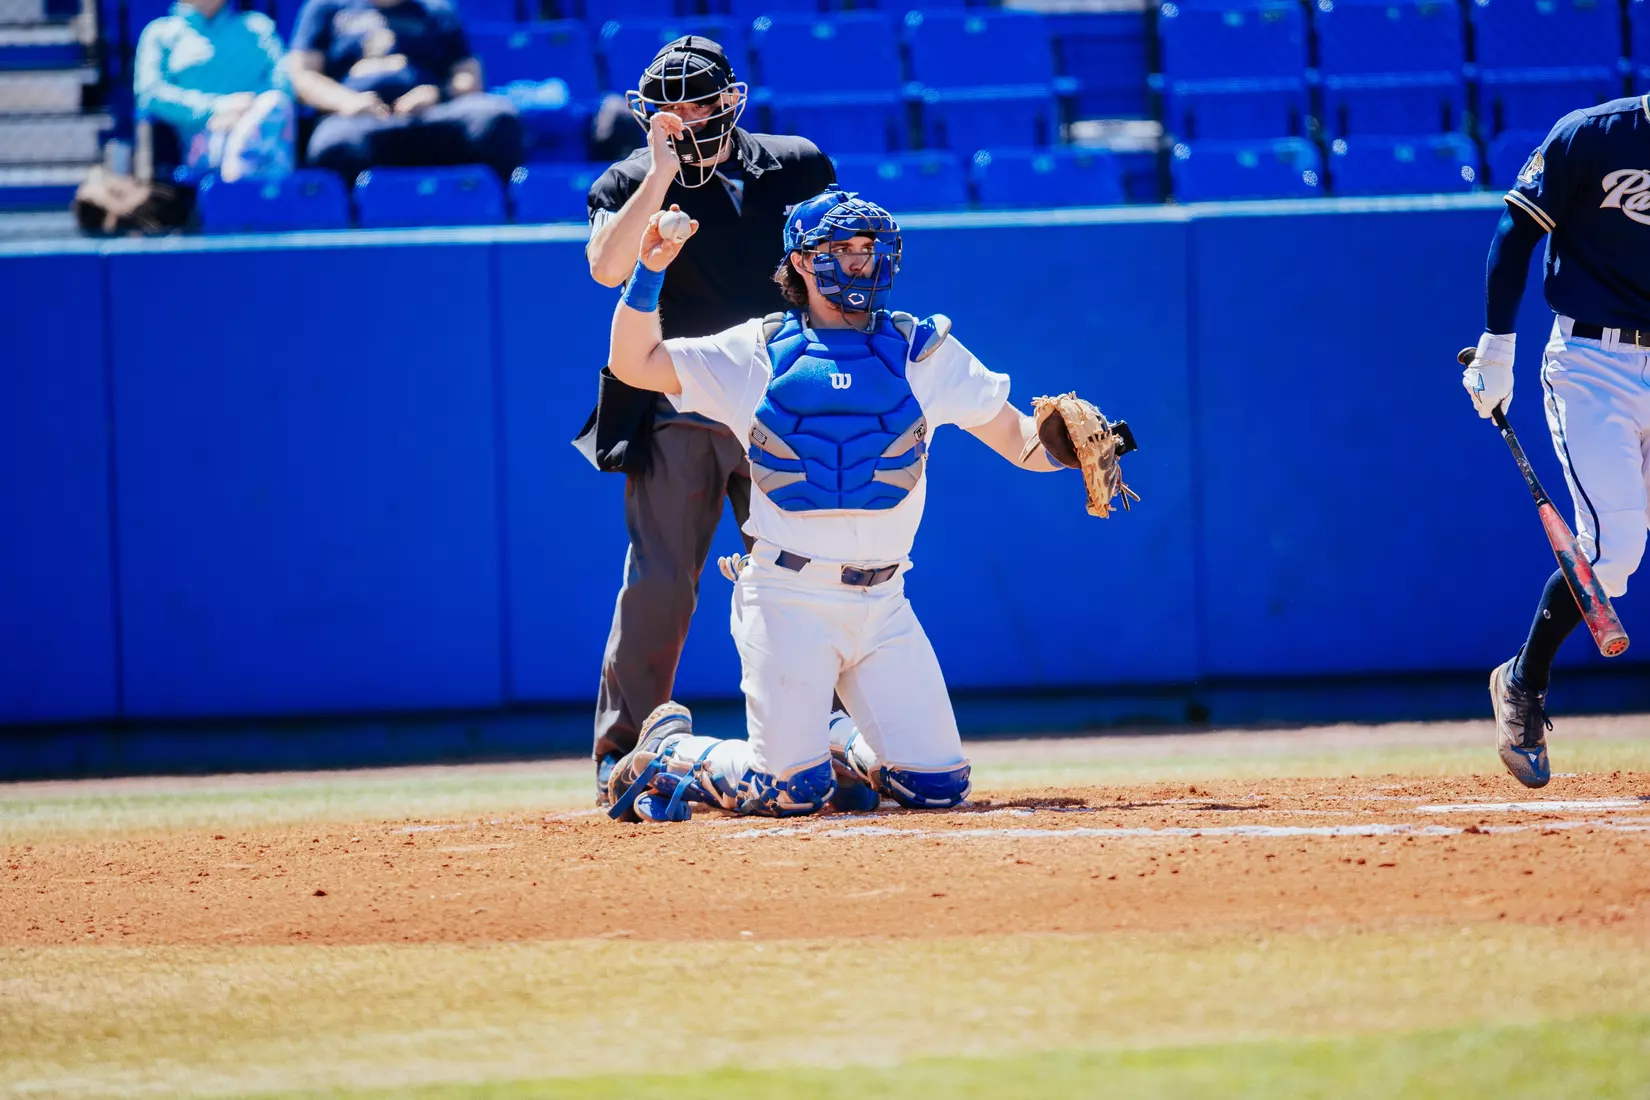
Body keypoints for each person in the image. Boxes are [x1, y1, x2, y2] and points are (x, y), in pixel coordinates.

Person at [597, 185, 1131, 822]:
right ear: (800, 261)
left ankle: (839, 746)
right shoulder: (755, 351)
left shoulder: (923, 351)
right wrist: (651, 270)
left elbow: (1020, 441)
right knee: (787, 794)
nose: (860, 261)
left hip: (884, 606)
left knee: (939, 789)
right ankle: (674, 751)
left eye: (869, 247)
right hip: (787, 597)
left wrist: (1068, 449)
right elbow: (634, 364)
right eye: (843, 249)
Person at [577, 35, 836, 803]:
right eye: (667, 107)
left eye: (697, 102)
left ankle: (836, 741)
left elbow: (837, 265)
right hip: (677, 399)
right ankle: (622, 756)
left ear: (731, 101)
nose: (682, 119)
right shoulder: (629, 177)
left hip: (781, 400)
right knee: (661, 582)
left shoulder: (795, 164)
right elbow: (606, 268)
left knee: (812, 575)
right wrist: (658, 176)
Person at [1461, 94, 1650, 788]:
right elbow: (1517, 230)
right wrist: (1497, 346)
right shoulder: (1592, 135)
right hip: (1593, 368)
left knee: (1616, 555)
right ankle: (1523, 680)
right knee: (1615, 552)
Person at [286, 0, 522, 182]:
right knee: (333, 143)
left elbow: (468, 74)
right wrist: (346, 102)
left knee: (496, 118)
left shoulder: (435, 10)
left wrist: (438, 94)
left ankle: (485, 212)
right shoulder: (325, 8)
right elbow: (302, 76)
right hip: (358, 122)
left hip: (431, 118)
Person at [133, 0, 295, 182]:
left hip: (264, 132)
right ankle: (248, 190)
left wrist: (246, 117)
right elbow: (150, 93)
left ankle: (239, 182)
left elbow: (283, 84)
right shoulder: (159, 33)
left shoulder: (258, 27)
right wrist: (216, 108)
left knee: (273, 104)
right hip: (202, 142)